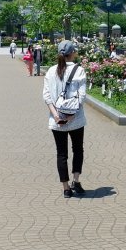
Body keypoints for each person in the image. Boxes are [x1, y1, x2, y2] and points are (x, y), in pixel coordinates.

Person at [43, 40, 87, 198]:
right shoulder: (79, 70)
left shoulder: (51, 71)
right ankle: (76, 181)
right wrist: (72, 116)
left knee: (61, 154)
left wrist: (56, 115)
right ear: (72, 53)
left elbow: (46, 96)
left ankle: (66, 188)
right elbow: (82, 96)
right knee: (78, 149)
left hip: (57, 121)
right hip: (76, 119)